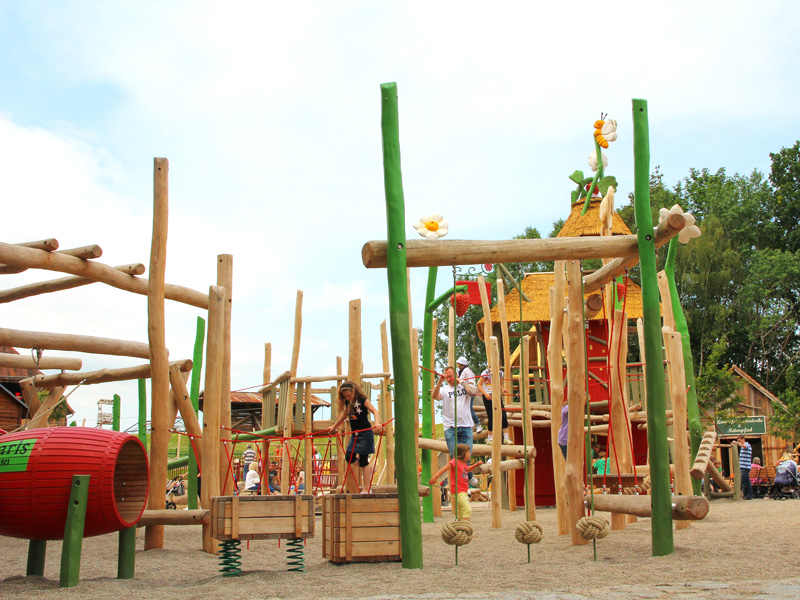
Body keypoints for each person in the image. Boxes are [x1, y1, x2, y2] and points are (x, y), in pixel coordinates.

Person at [327, 380, 384, 493]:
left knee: (363, 460)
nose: (347, 398)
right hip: (355, 434)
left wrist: (377, 423)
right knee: (349, 457)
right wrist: (334, 427)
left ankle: (366, 488)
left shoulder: (363, 400)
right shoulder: (348, 403)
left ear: (354, 392)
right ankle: (368, 468)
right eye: (345, 396)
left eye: (349, 395)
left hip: (365, 433)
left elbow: (375, 411)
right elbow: (344, 416)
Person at [433, 366, 479, 458]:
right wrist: (439, 382)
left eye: (450, 376)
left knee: (466, 457)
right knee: (455, 456)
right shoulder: (444, 389)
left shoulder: (465, 386)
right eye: (446, 377)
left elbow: (473, 392)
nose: (448, 379)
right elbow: (435, 396)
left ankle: (466, 469)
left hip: (466, 426)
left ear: (456, 375)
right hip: (450, 427)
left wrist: (461, 382)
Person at [429, 443, 483, 522]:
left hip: (463, 491)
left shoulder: (463, 463)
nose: (470, 454)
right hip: (458, 491)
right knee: (467, 509)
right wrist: (435, 477)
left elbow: (467, 470)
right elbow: (444, 469)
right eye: (468, 452)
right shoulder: (455, 462)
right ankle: (465, 527)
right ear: (462, 453)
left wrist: (476, 465)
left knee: (460, 511)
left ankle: (459, 526)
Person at [477, 366, 511, 445]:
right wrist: (485, 394)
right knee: (491, 415)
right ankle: (490, 438)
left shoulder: (500, 373)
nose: (497, 368)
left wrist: (503, 389)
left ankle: (506, 438)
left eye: (498, 366)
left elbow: (500, 384)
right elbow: (479, 385)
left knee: (503, 415)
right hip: (488, 395)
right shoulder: (485, 373)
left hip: (496, 395)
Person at [456, 356, 482, 433]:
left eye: (458, 363)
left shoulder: (467, 371)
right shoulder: (462, 371)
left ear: (461, 364)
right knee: (464, 409)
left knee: (469, 409)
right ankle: (470, 425)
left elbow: (471, 382)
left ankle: (478, 424)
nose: (457, 365)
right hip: (464, 393)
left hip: (469, 393)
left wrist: (468, 389)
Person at [733, 435, 754, 499]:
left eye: (740, 440)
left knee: (744, 481)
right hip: (742, 466)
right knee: (746, 480)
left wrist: (737, 443)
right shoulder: (743, 447)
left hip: (745, 466)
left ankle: (748, 495)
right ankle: (748, 495)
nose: (739, 442)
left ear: (743, 439)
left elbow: (744, 446)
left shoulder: (747, 445)